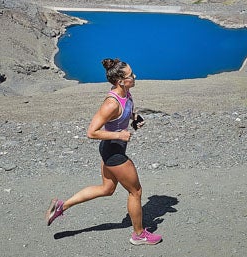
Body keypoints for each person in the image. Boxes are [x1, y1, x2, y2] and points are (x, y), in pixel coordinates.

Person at [45, 58, 162, 245]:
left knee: (107, 189)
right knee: (136, 192)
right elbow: (91, 132)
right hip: (113, 152)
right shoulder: (111, 103)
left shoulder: (126, 93)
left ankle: (62, 206)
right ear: (120, 81)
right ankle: (138, 235)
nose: (135, 76)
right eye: (130, 75)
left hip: (111, 149)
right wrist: (119, 135)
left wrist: (134, 118)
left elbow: (126, 111)